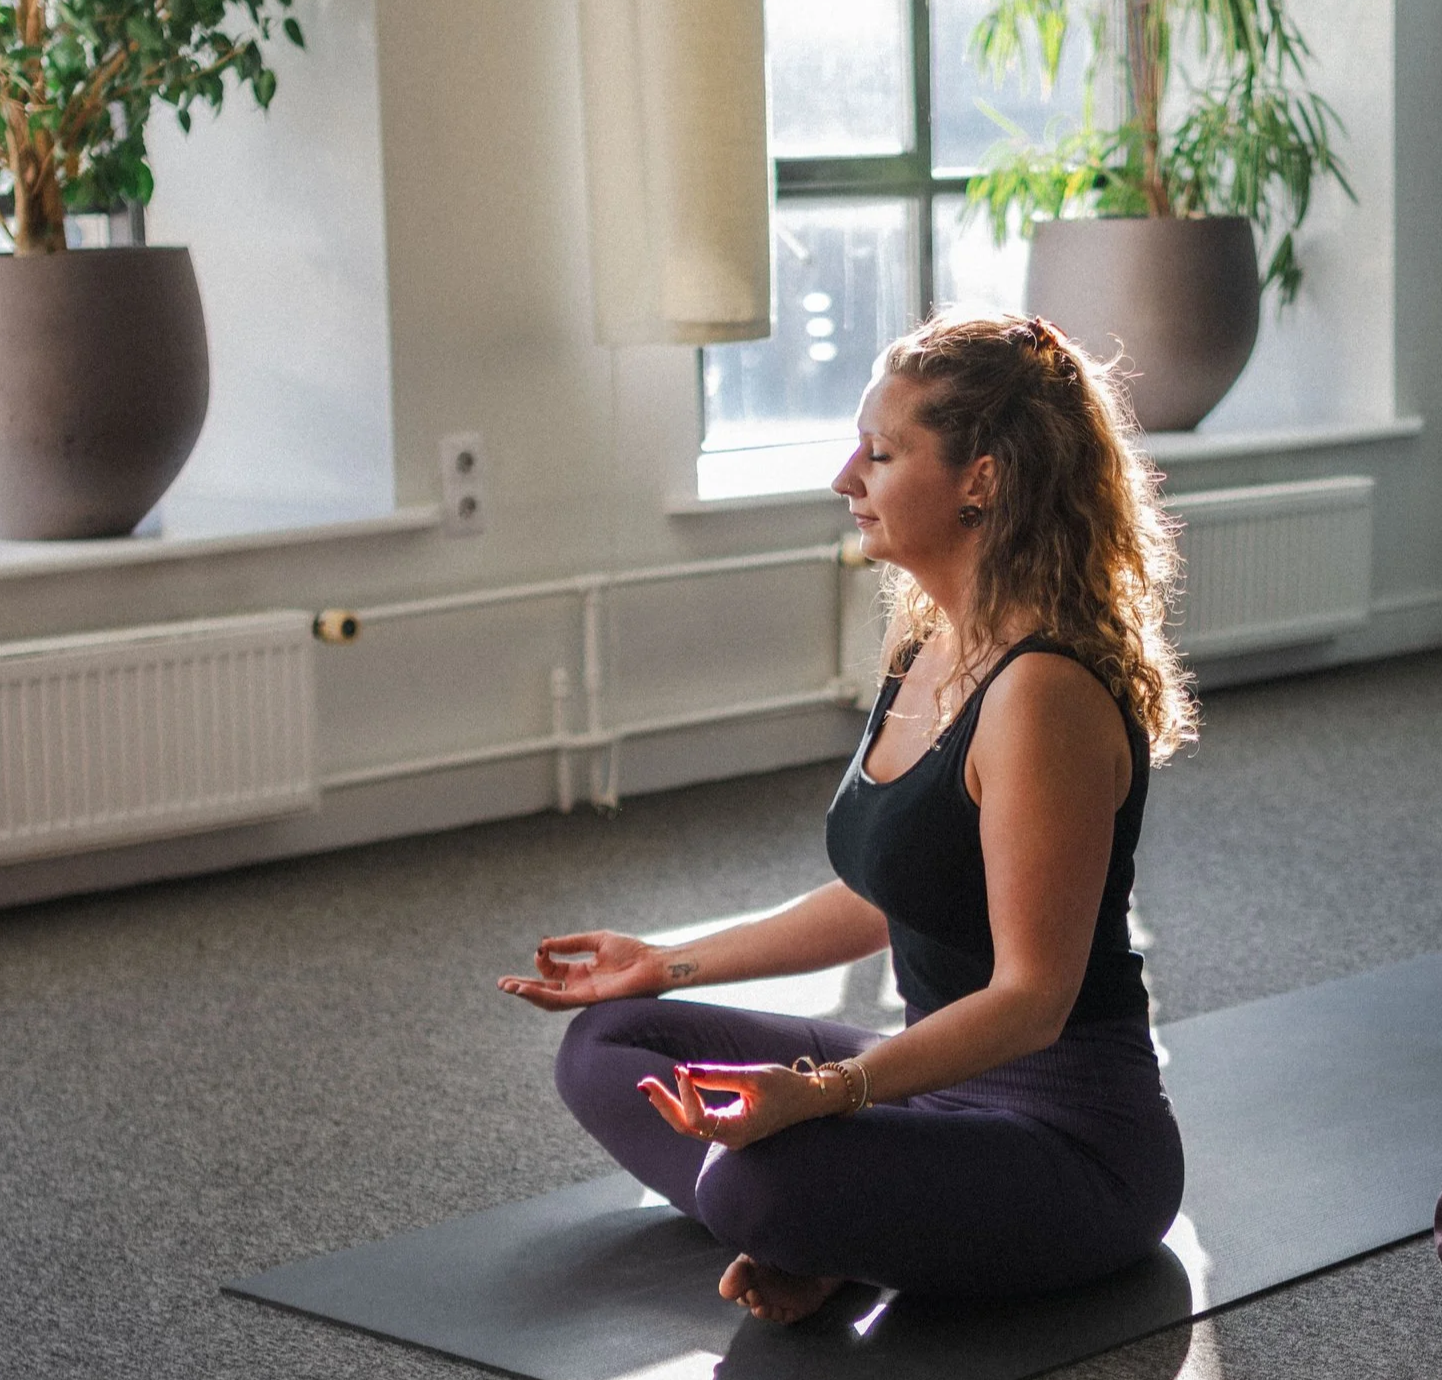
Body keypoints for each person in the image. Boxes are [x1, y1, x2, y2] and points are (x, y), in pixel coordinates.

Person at [499, 313, 1196, 1324]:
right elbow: (887, 895)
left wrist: (831, 1090)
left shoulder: (1041, 693)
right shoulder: (925, 649)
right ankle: (844, 1220)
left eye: (879, 451)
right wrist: (667, 962)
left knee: (750, 1184)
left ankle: (819, 1216)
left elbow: (1032, 1000)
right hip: (931, 1089)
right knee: (608, 1035)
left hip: (1068, 1139)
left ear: (982, 479)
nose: (844, 477)